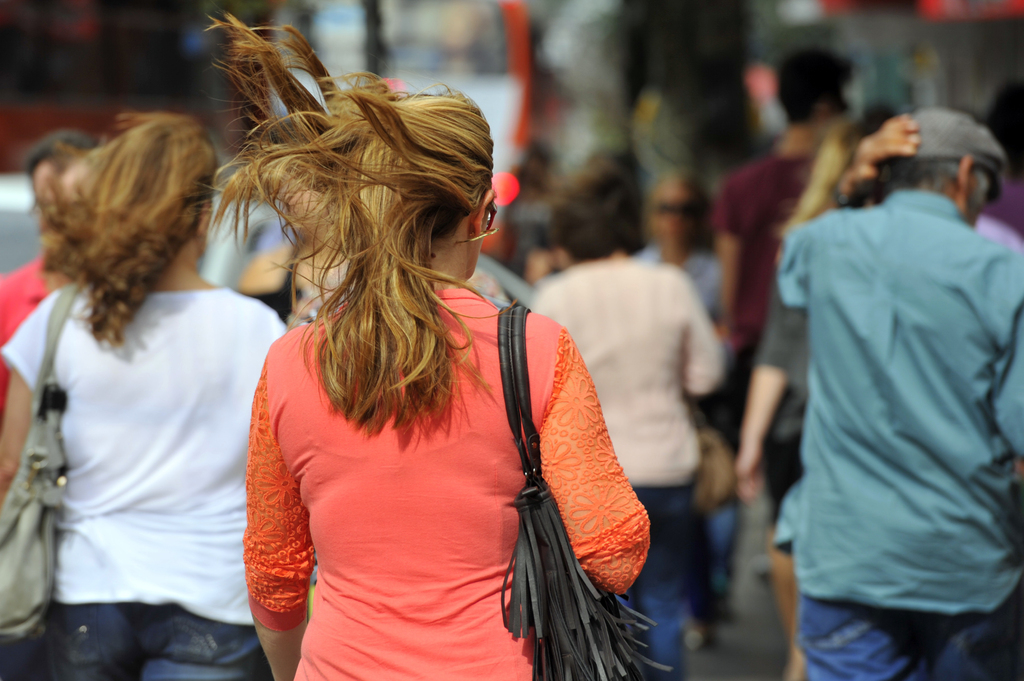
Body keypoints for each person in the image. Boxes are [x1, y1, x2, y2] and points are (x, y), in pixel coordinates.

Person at [215, 17, 650, 681]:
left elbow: (274, 577)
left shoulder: (291, 360)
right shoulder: (535, 347)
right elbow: (612, 549)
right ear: (480, 214)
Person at [0, 113, 285, 680]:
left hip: (84, 597)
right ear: (203, 217)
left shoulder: (59, 319)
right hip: (212, 598)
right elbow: (279, 477)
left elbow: (11, 465)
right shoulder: (256, 329)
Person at [776, 107, 1023, 681]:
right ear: (965, 177)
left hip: (847, 556)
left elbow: (790, 270)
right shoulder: (1005, 273)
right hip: (965, 562)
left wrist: (846, 189)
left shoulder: (825, 242)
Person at [533, 160, 725, 681]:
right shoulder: (670, 284)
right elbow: (707, 374)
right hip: (667, 466)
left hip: (589, 480)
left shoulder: (556, 295)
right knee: (664, 599)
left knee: (598, 613)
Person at [711, 49, 850, 444]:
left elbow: (728, 292)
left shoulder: (739, 185)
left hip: (756, 361)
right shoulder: (845, 182)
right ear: (826, 109)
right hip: (828, 356)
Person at [0, 128, 95, 681]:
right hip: (31, 538)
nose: (54, 219)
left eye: (70, 203)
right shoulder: (14, 298)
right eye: (45, 204)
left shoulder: (129, 298)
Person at [636, 173, 720, 320]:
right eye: (666, 208)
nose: (676, 218)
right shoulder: (635, 267)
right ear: (651, 214)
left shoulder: (715, 271)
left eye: (686, 209)